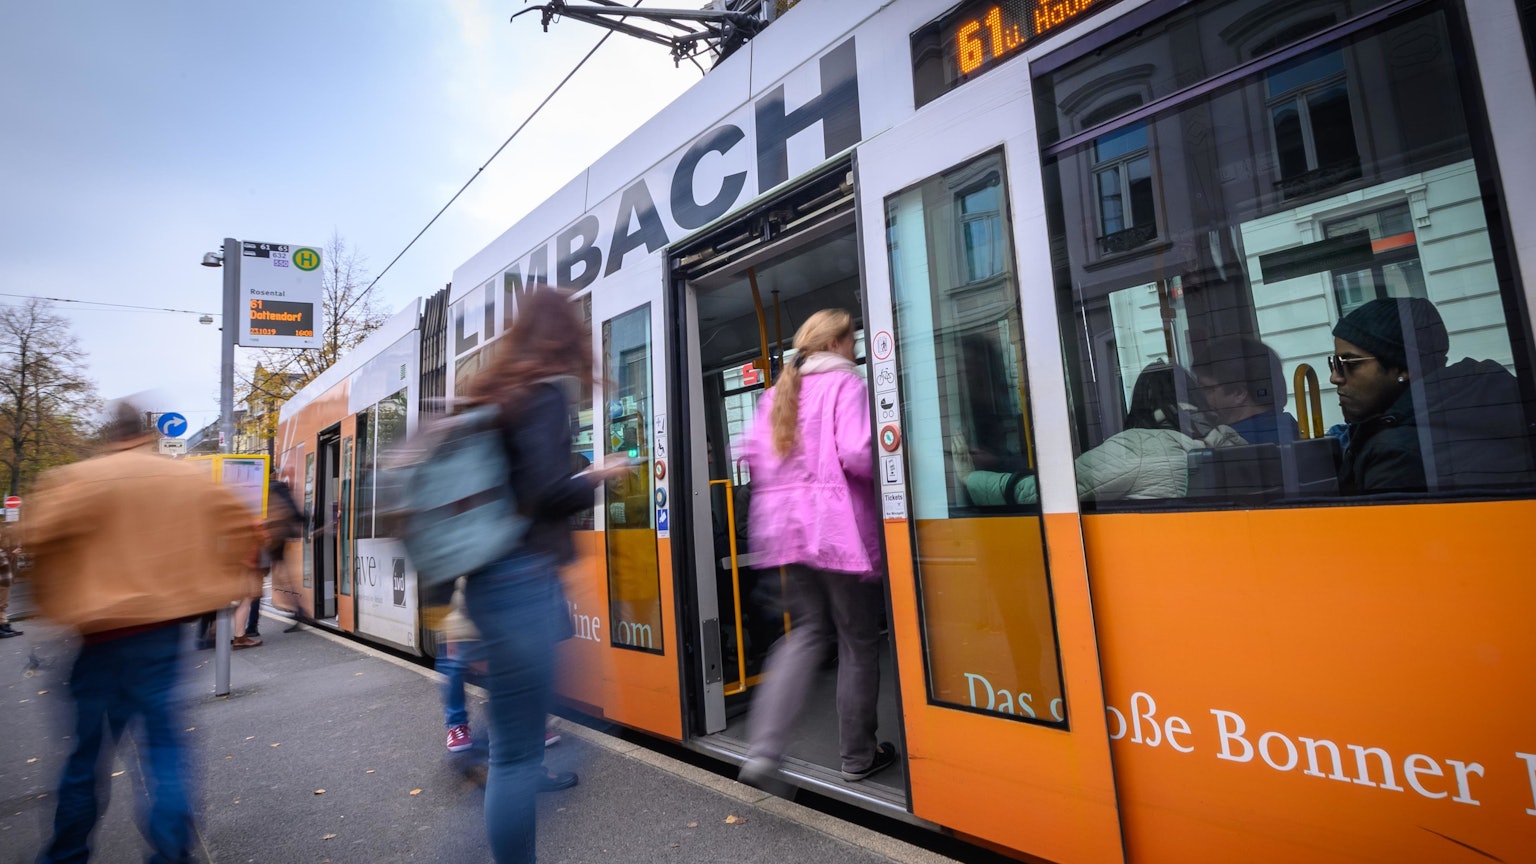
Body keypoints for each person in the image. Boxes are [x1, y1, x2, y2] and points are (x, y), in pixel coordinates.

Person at [23, 399, 259, 864]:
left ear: (110, 436)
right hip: (162, 636)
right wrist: (228, 582)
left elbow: (35, 540)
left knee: (84, 758)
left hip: (97, 638)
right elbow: (243, 525)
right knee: (166, 748)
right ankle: (171, 852)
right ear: (149, 436)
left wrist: (56, 602)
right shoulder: (189, 479)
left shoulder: (74, 480)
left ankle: (66, 854)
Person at [459, 286, 632, 863]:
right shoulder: (541, 396)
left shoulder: (494, 392)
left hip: (490, 581)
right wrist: (600, 473)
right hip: (523, 581)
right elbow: (544, 495)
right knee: (519, 753)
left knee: (517, 745)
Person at [737, 309, 894, 790]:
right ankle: (857, 757)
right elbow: (857, 452)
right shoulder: (847, 387)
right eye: (853, 339)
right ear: (838, 343)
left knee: (806, 633)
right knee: (857, 641)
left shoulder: (774, 395)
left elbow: (752, 456)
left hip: (787, 534)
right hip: (837, 532)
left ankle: (764, 749)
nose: (855, 347)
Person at [954, 362, 1247, 505]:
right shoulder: (1230, 440)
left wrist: (971, 479)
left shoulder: (1139, 447)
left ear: (1142, 402)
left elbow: (1046, 494)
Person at [1328, 296, 1536, 493]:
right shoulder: (1477, 404)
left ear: (1404, 368)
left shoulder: (1396, 452)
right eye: (1333, 363)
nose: (1335, 377)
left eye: (1347, 363)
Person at [1191, 335, 1300, 444]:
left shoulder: (1232, 442)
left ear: (1239, 393)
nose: (1202, 396)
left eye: (1207, 389)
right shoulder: (1288, 427)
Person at [0, 534, 21, 638]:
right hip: (1, 583)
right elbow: (2, 562)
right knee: (1, 606)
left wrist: (12, 555)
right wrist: (12, 554)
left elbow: (6, 562)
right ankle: (2, 628)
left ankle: (4, 626)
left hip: (4, 582)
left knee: (3, 606)